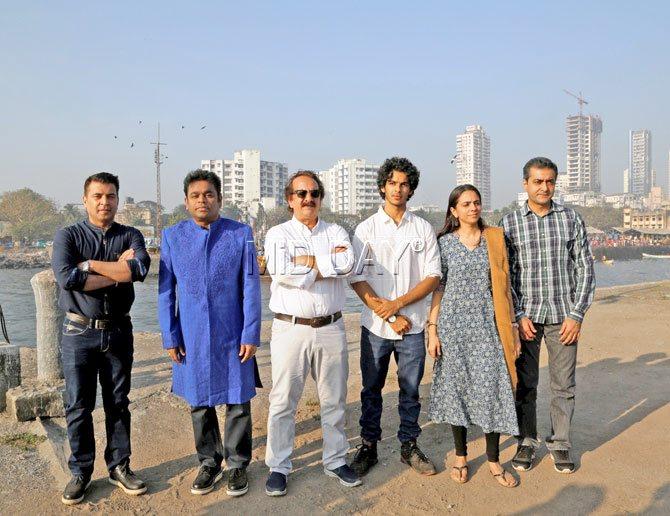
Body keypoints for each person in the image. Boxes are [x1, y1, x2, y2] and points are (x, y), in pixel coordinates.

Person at [158, 170, 261, 497]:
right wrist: (170, 335)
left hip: (233, 329)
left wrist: (251, 332)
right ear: (187, 202)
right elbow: (165, 292)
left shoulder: (240, 233)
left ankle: (238, 464)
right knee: (198, 400)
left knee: (238, 399)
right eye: (195, 195)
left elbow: (250, 285)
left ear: (219, 198)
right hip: (191, 333)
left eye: (209, 194)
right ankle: (208, 461)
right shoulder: (173, 236)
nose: (203, 200)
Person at [52, 172, 150, 505]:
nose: (104, 202)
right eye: (97, 196)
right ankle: (80, 471)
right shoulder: (68, 236)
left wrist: (92, 265)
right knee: (78, 405)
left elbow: (138, 270)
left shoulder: (131, 234)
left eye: (110, 196)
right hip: (79, 331)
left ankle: (119, 466)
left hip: (119, 330)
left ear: (117, 200)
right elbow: (67, 279)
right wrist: (116, 272)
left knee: (118, 403)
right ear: (85, 199)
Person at [263, 171, 361, 496]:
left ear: (321, 197)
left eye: (314, 193)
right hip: (290, 328)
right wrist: (325, 264)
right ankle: (279, 465)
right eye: (301, 193)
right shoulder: (277, 233)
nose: (308, 199)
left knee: (333, 399)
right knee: (283, 400)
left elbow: (348, 264)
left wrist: (307, 262)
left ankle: (335, 460)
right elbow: (281, 271)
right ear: (290, 199)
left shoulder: (335, 230)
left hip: (331, 327)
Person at [501, 157, 595, 474]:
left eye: (550, 181)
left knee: (563, 385)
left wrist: (577, 314)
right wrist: (518, 314)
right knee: (525, 384)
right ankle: (526, 441)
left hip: (563, 316)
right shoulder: (510, 223)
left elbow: (585, 269)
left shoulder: (570, 219)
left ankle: (561, 443)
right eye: (538, 181)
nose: (545, 187)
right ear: (525, 183)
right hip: (527, 318)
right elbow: (506, 276)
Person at [349, 157, 442, 476]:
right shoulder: (366, 229)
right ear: (382, 187)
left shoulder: (423, 228)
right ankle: (368, 446)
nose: (398, 189)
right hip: (374, 327)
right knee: (371, 389)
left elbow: (433, 276)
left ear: (411, 188)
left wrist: (398, 304)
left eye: (404, 183)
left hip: (413, 327)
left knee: (411, 390)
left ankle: (409, 446)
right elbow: (356, 278)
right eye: (392, 183)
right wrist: (387, 314)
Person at [427, 184, 521, 488]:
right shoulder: (444, 244)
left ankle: (494, 460)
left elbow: (505, 286)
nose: (473, 208)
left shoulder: (494, 239)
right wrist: (433, 328)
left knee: (493, 389)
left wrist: (513, 327)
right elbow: (438, 288)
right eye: (466, 204)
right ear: (454, 210)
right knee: (458, 391)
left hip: (488, 326)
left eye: (476, 203)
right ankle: (461, 456)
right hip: (453, 327)